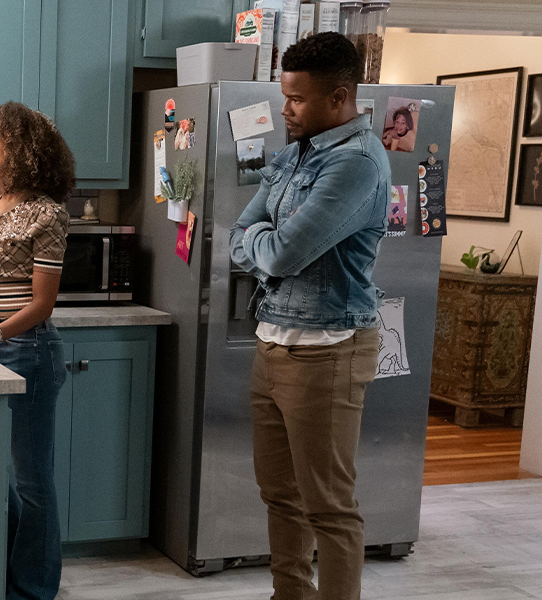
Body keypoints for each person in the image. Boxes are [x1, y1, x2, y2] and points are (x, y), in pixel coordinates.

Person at [229, 32, 386, 600]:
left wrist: (260, 240)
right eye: (283, 96)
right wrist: (260, 240)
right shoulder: (297, 154)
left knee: (329, 507)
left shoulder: (355, 165)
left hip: (327, 350)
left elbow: (279, 252)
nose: (284, 109)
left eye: (296, 99)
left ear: (340, 97)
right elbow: (237, 235)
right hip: (272, 343)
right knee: (279, 494)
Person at [0, 101, 73, 600]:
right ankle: (4, 573)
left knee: (31, 479)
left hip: (29, 350)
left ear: (20, 148)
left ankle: (35, 589)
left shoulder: (47, 214)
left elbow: (41, 303)